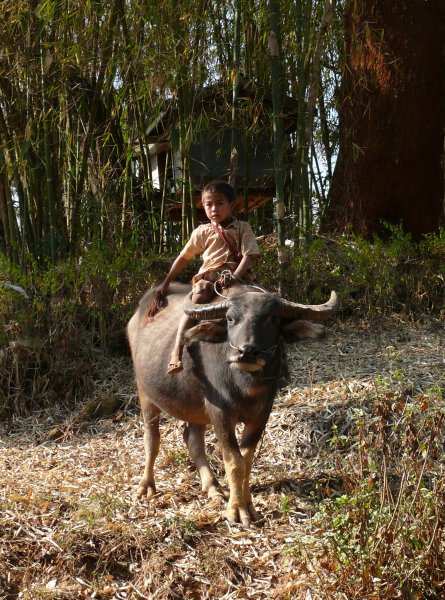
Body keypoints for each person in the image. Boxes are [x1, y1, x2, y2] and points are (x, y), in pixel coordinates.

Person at [156, 180, 260, 374]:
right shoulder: (202, 231)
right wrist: (166, 282)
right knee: (195, 304)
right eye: (208, 204)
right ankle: (176, 351)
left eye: (220, 203)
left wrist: (235, 276)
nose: (214, 209)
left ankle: (275, 362)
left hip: (238, 278)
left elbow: (250, 255)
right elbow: (184, 257)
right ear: (203, 206)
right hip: (209, 280)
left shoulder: (243, 228)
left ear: (231, 204)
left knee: (264, 305)